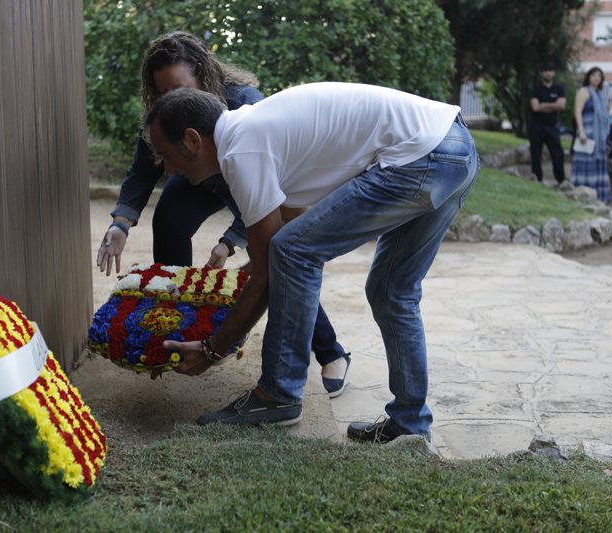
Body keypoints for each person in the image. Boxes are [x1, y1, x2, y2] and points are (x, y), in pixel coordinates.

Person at [149, 83, 479, 443]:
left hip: (420, 156)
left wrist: (214, 349)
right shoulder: (252, 133)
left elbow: (275, 262)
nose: (167, 169)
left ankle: (278, 394)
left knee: (292, 252)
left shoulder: (241, 150)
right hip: (454, 147)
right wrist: (240, 284)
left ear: (194, 140)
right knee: (390, 291)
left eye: (165, 154)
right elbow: (284, 242)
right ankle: (409, 423)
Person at [95, 32, 351, 395]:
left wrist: (232, 241)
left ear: (203, 74)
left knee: (277, 255)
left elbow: (273, 193)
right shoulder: (165, 116)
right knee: (168, 217)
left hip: (241, 177)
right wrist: (121, 222)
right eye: (161, 92)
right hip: (198, 174)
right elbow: (143, 170)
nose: (170, 99)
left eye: (177, 88)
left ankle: (331, 352)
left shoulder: (245, 106)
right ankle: (181, 325)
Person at [572, 66, 612, 203]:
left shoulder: (599, 94)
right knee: (586, 164)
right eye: (594, 75)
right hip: (587, 134)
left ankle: (598, 196)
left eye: (599, 76)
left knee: (598, 165)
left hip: (599, 138)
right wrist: (581, 131)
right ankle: (582, 194)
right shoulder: (584, 92)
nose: (597, 78)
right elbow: (577, 111)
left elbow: (604, 114)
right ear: (588, 77)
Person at [529, 64, 567, 186]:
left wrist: (544, 105)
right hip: (536, 126)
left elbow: (562, 106)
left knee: (557, 153)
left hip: (552, 126)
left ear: (554, 72)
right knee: (536, 153)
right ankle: (537, 179)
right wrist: (553, 105)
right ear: (541, 73)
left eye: (550, 70)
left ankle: (561, 180)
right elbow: (535, 107)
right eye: (545, 70)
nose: (548, 73)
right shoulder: (536, 89)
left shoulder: (559, 88)